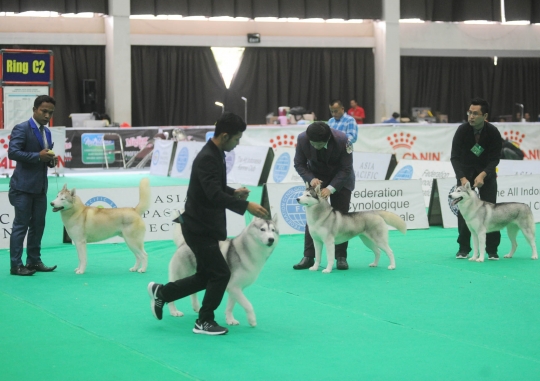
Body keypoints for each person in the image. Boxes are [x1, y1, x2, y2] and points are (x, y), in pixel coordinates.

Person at [147, 112, 269, 336]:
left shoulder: (216, 153)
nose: (238, 143)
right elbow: (213, 195)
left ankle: (162, 293)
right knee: (221, 273)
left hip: (205, 226)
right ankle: (204, 321)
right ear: (224, 136)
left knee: (206, 276)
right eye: (236, 139)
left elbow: (213, 188)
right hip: (198, 228)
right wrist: (246, 206)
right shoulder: (208, 158)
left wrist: (234, 192)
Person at [293, 121, 355, 270]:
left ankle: (340, 257)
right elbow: (299, 164)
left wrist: (331, 188)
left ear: (327, 139)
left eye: (318, 144)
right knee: (312, 218)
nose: (314, 146)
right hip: (315, 179)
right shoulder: (302, 139)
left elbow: (346, 169)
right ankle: (309, 256)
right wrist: (311, 179)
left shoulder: (343, 140)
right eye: (312, 143)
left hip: (341, 180)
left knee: (341, 217)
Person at [7, 95, 58, 276]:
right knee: (20, 226)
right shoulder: (22, 128)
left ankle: (34, 261)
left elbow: (44, 156)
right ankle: (16, 265)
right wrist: (38, 156)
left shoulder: (48, 132)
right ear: (35, 109)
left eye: (50, 113)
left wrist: (50, 161)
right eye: (44, 111)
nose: (47, 115)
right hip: (22, 187)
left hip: (40, 188)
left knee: (38, 226)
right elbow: (13, 153)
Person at [450, 98, 502, 260]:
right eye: (469, 113)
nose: (471, 116)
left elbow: (495, 159)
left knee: (491, 211)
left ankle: (492, 249)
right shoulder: (462, 131)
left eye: (475, 113)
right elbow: (454, 157)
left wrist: (484, 174)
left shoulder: (493, 132)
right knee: (464, 211)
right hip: (465, 174)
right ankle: (464, 248)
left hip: (486, 174)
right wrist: (462, 177)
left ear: (484, 115)